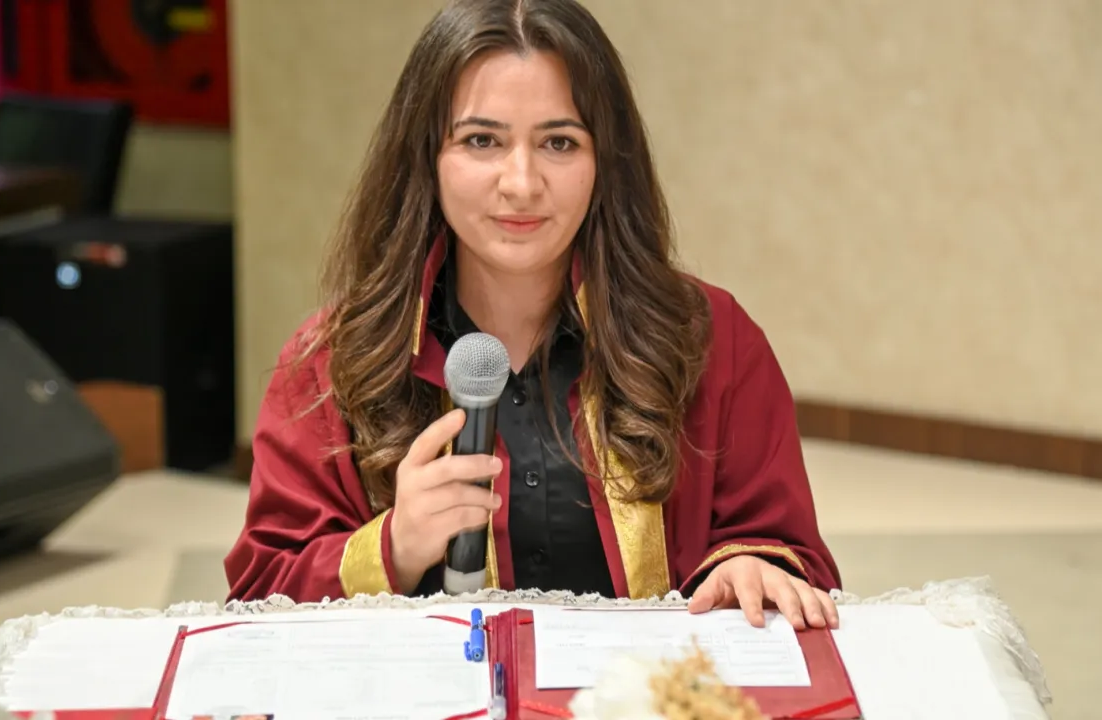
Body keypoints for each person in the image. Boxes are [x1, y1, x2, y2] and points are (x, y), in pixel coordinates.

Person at [224, 0, 841, 630]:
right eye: (481, 140)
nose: (521, 183)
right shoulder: (332, 359)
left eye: (558, 142)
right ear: (427, 158)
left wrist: (753, 568)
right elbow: (258, 595)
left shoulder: (709, 337)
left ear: (605, 163)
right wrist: (392, 548)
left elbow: (785, 552)